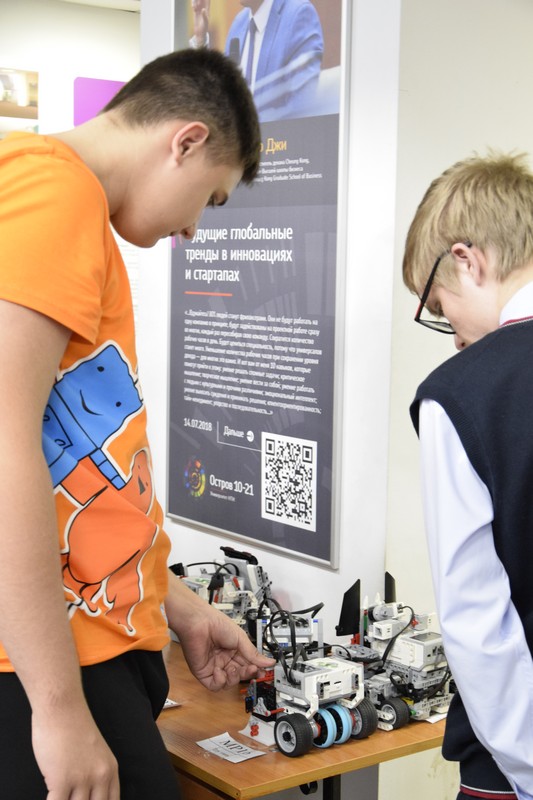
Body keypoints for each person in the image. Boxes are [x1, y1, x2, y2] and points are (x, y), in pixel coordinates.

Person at [0, 46, 274, 800]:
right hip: (49, 667)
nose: (193, 228)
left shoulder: (60, 198)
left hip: (78, 647)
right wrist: (58, 711)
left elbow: (68, 459)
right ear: (184, 141)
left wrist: (175, 603)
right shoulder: (53, 190)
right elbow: (6, 445)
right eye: (210, 197)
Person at [403, 151, 533, 800]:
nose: (453, 335)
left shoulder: (458, 394)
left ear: (466, 260)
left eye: (439, 307)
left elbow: (477, 622)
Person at [191, 0, 324, 122]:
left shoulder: (299, 15)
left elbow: (302, 108)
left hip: (279, 139)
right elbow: (222, 103)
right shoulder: (238, 24)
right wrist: (200, 41)